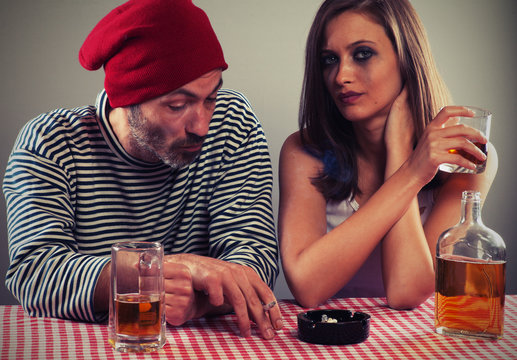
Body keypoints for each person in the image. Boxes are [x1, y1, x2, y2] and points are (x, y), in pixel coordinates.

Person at [3, 0, 283, 340]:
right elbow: (35, 273)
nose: (202, 125)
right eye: (177, 105)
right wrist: (158, 274)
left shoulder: (233, 122)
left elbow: (255, 253)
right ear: (126, 99)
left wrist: (196, 303)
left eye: (211, 97)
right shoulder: (49, 143)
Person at [278, 0, 497, 310]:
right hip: (333, 341)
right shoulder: (304, 152)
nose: (341, 76)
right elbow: (307, 287)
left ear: (407, 58)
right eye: (329, 59)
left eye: (362, 54)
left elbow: (406, 291)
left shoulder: (463, 155)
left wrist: (398, 152)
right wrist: (409, 172)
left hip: (415, 343)